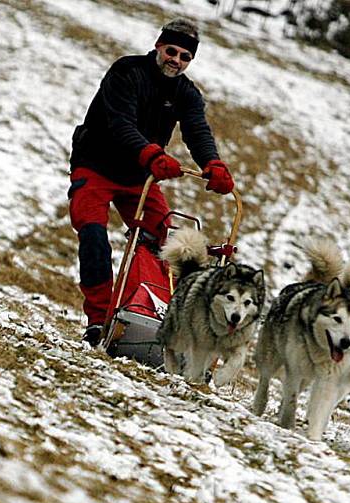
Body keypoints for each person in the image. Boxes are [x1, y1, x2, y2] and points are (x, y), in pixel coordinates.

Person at [68, 17, 234, 346]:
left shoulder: (186, 94)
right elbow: (120, 122)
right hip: (96, 165)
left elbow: (197, 130)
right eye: (171, 51)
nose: (176, 60)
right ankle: (99, 319)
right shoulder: (127, 72)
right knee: (93, 235)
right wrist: (151, 154)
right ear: (159, 46)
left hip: (139, 180)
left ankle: (152, 318)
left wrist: (212, 162)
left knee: (168, 243)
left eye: (185, 56)